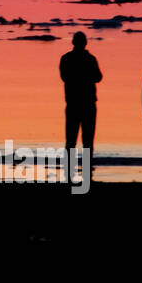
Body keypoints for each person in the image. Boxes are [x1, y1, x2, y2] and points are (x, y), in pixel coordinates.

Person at [59, 31, 103, 182]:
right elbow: (98, 77)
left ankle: (69, 170)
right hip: (88, 103)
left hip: (72, 102)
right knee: (88, 139)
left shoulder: (66, 59)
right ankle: (86, 168)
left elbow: (64, 77)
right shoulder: (90, 59)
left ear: (73, 42)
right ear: (85, 43)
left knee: (71, 139)